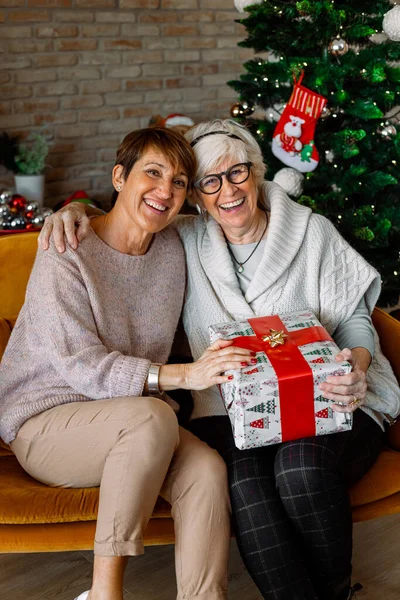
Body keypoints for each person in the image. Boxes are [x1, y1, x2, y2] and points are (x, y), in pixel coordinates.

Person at [38, 119, 400, 600]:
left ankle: (336, 592)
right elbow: (128, 217)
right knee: (245, 484)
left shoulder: (311, 230)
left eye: (237, 173)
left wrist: (355, 362)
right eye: (209, 181)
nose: (226, 190)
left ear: (257, 172)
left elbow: (354, 315)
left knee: (298, 469)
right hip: (231, 409)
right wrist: (74, 208)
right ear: (198, 199)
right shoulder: (184, 239)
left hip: (331, 396)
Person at [0, 127, 256, 600]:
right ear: (120, 176)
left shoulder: (175, 246)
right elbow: (80, 365)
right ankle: (104, 593)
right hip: (45, 424)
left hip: (136, 423)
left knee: (206, 471)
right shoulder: (65, 251)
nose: (165, 191)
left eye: (179, 182)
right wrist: (184, 374)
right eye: (152, 173)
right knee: (154, 413)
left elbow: (240, 204)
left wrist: (78, 206)